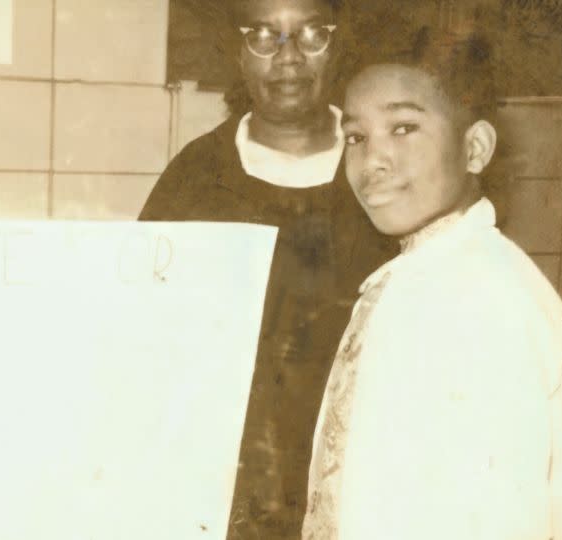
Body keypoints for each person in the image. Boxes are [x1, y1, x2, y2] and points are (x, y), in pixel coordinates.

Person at [302, 31, 562, 539]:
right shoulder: (420, 277)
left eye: (404, 127)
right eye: (356, 137)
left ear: (474, 148)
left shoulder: (488, 302)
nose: (373, 161)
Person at [139, 0, 394, 536]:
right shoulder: (194, 179)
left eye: (311, 35)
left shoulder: (381, 177)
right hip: (224, 485)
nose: (289, 57)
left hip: (357, 475)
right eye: (263, 35)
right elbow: (144, 338)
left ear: (338, 42)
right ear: (236, 51)